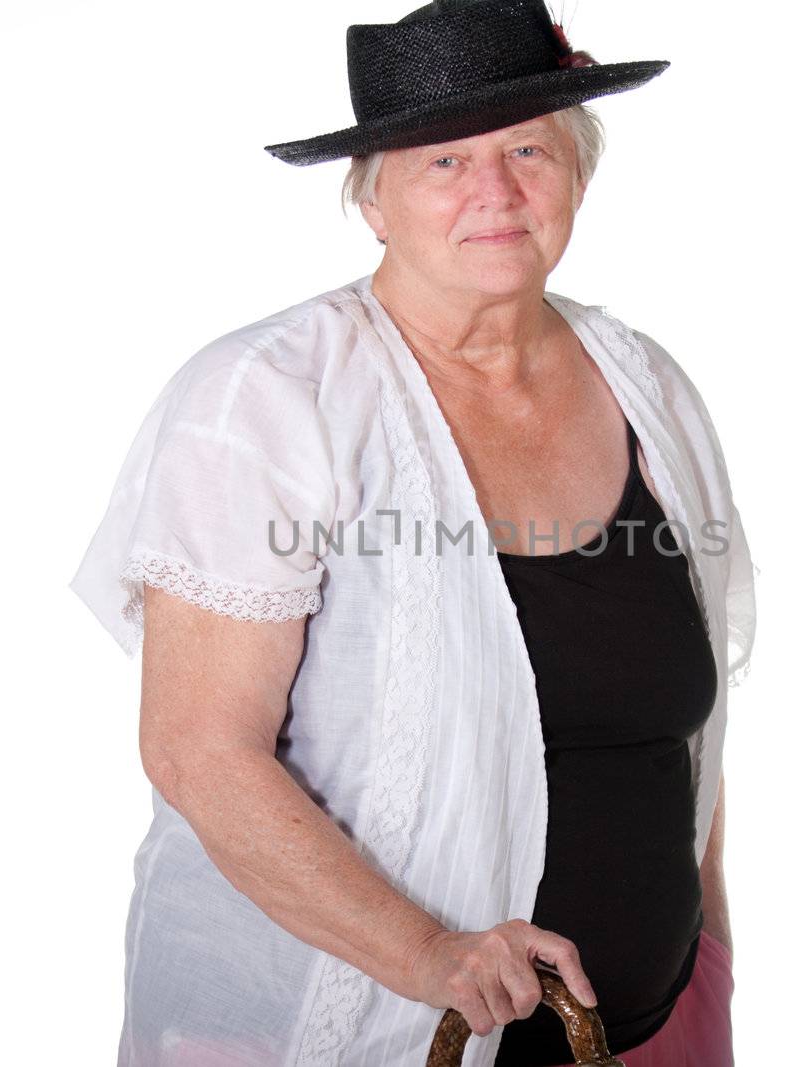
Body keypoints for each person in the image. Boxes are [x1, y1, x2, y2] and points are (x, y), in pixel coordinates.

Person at [69, 1, 757, 1064]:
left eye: (528, 148)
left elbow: (689, 734)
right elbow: (198, 748)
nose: (495, 191)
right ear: (373, 199)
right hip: (345, 1031)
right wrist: (429, 952)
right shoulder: (269, 400)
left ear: (575, 171)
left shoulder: (646, 385)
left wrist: (707, 945)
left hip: (650, 1026)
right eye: (443, 160)